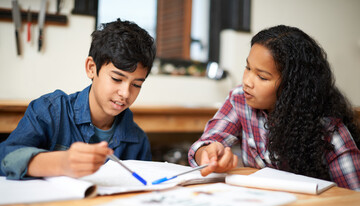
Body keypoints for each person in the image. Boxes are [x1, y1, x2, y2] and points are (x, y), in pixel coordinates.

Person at [188, 25, 360, 190]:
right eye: (248, 68)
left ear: (292, 86)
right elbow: (208, 141)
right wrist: (207, 153)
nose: (247, 81)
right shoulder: (240, 99)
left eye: (262, 77)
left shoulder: (329, 129)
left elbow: (354, 198)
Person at [0, 19, 156, 179]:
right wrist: (61, 163)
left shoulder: (138, 140)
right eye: (117, 79)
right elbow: (5, 157)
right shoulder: (50, 111)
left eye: (136, 85)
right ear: (91, 68)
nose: (125, 93)